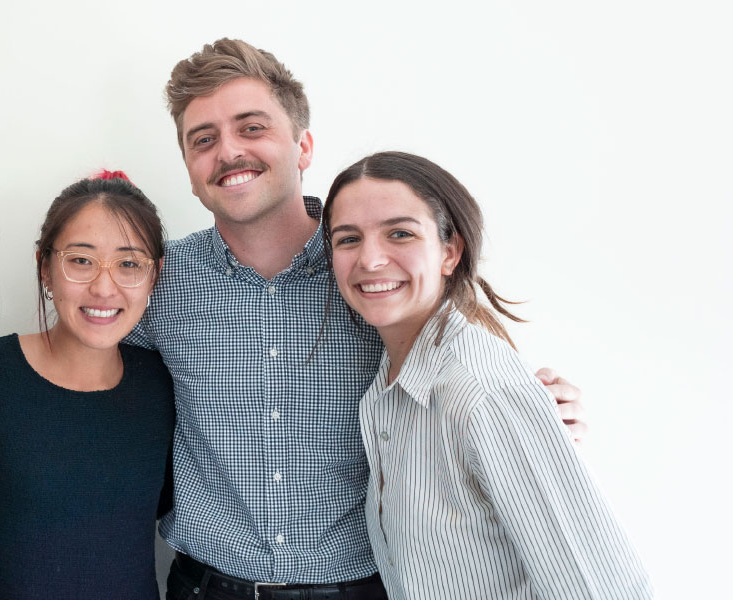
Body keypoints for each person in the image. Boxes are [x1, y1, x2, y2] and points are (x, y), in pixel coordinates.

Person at [125, 38, 587, 599]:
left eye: (252, 127)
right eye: (204, 140)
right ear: (189, 167)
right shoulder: (158, 280)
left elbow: (457, 362)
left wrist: (532, 406)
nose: (228, 152)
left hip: (362, 587)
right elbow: (88, 363)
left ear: (303, 146)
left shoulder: (374, 273)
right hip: (205, 587)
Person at [322, 150, 651, 598]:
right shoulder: (387, 384)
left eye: (400, 233)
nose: (371, 259)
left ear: (449, 251)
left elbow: (599, 586)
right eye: (348, 239)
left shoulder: (481, 390)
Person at [0, 171, 175, 599]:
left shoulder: (163, 386)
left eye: (129, 263)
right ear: (45, 266)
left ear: (154, 275)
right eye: (81, 260)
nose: (104, 287)